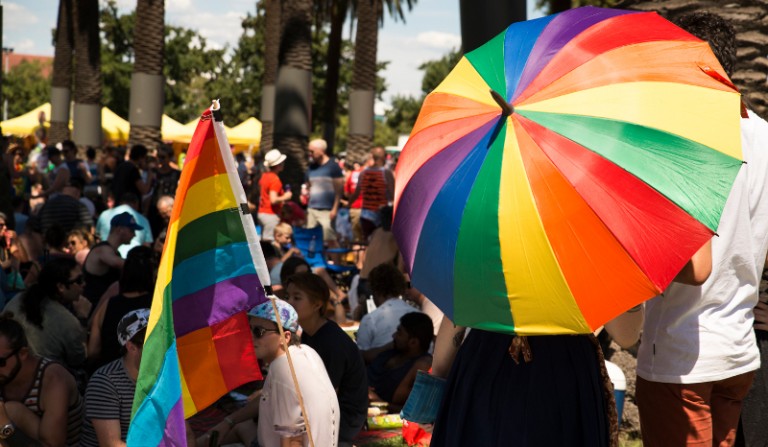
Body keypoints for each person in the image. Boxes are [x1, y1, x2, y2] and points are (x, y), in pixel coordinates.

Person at [634, 13, 768, 447]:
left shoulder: (683, 139)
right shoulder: (763, 135)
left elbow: (695, 266)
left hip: (683, 356)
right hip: (738, 349)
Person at [427, 253, 711, 446]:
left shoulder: (485, 226)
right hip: (562, 369)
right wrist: (632, 280)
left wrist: (436, 383)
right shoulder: (587, 238)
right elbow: (625, 335)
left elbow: (456, 315)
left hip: (484, 366)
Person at [197, 299, 340, 447]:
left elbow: (292, 439)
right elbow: (268, 398)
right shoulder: (306, 352)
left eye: (259, 331)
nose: (251, 336)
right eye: (250, 329)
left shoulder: (282, 369)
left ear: (285, 337)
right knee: (240, 426)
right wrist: (228, 421)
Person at [284, 273, 368, 445]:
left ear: (317, 304)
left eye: (297, 297)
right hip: (319, 409)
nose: (289, 303)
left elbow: (324, 396)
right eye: (288, 297)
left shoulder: (332, 342)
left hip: (344, 418)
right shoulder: (308, 334)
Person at [0, 313, 84, 446]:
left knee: (12, 411)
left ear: (22, 354)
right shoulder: (4, 375)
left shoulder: (54, 379)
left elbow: (53, 445)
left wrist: (5, 427)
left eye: (1, 362)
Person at [3, 257, 91, 369]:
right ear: (61, 287)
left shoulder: (19, 298)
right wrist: (82, 318)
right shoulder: (68, 321)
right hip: (44, 378)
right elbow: (80, 359)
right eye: (79, 280)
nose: (84, 284)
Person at [80, 309, 149, 447]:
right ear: (131, 347)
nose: (162, 349)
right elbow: (111, 444)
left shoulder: (163, 376)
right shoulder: (105, 382)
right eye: (154, 344)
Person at [88, 246, 155, 369]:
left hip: (110, 374)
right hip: (150, 375)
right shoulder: (159, 304)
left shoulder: (107, 305)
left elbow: (92, 351)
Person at [367, 312, 433, 412]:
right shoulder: (394, 349)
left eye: (399, 333)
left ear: (413, 342)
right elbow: (365, 356)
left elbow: (415, 411)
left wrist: (379, 402)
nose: (394, 336)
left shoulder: (422, 365)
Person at [356, 263, 419, 363]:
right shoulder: (418, 315)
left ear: (375, 290)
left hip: (380, 375)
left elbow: (361, 356)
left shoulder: (371, 319)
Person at [83, 212, 140, 306]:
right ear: (120, 230)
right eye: (131, 230)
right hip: (92, 308)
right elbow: (118, 263)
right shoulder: (102, 250)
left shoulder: (115, 253)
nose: (134, 235)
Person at [348, 146, 394, 240]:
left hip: (366, 214)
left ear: (372, 156)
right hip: (382, 215)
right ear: (384, 157)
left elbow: (356, 193)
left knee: (366, 242)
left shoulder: (363, 173)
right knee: (380, 243)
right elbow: (393, 194)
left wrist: (349, 204)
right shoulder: (386, 173)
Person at [306, 139, 343, 246]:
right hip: (312, 209)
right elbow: (309, 186)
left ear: (321, 151)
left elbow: (339, 190)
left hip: (327, 210)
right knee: (312, 238)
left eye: (312, 151)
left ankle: (336, 262)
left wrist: (335, 208)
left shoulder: (333, 167)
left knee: (330, 238)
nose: (310, 154)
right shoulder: (311, 168)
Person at [96, 193, 153, 258]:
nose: (134, 235)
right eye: (131, 230)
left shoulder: (104, 214)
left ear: (120, 202)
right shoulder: (143, 219)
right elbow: (147, 247)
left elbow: (98, 237)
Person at [258, 149, 292, 241]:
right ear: (278, 165)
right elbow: (273, 200)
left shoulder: (265, 176)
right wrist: (286, 196)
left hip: (262, 212)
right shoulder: (275, 179)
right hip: (270, 214)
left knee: (264, 240)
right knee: (269, 241)